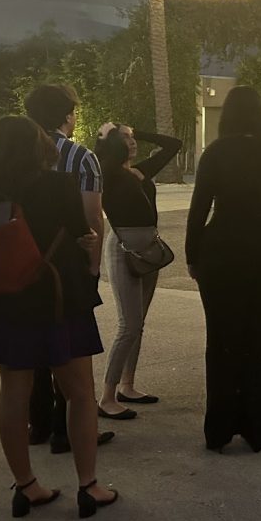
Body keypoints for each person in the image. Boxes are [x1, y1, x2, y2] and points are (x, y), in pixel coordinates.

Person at [0, 116, 118, 519]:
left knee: (14, 393)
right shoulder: (57, 185)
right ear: (37, 148)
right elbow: (82, 233)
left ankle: (26, 486)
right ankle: (89, 485)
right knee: (78, 392)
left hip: (2, 302)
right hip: (57, 297)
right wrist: (90, 246)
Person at [185, 87, 261, 452]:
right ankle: (259, 427)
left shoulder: (217, 153)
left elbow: (199, 210)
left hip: (223, 253)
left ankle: (220, 427)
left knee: (222, 340)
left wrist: (193, 255)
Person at [22, 84, 110, 456]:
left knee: (31, 349)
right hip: (66, 265)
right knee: (68, 349)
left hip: (21, 264)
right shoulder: (81, 157)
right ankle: (65, 430)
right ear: (66, 116)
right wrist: (93, 265)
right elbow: (92, 217)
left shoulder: (12, 156)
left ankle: (37, 423)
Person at [94, 123, 182, 419]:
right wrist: (105, 138)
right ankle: (107, 396)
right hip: (123, 248)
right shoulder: (108, 173)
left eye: (133, 137)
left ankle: (127, 386)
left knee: (138, 323)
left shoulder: (139, 172)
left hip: (148, 249)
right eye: (126, 139)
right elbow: (98, 162)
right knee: (128, 325)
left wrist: (138, 131)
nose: (132, 143)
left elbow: (173, 144)